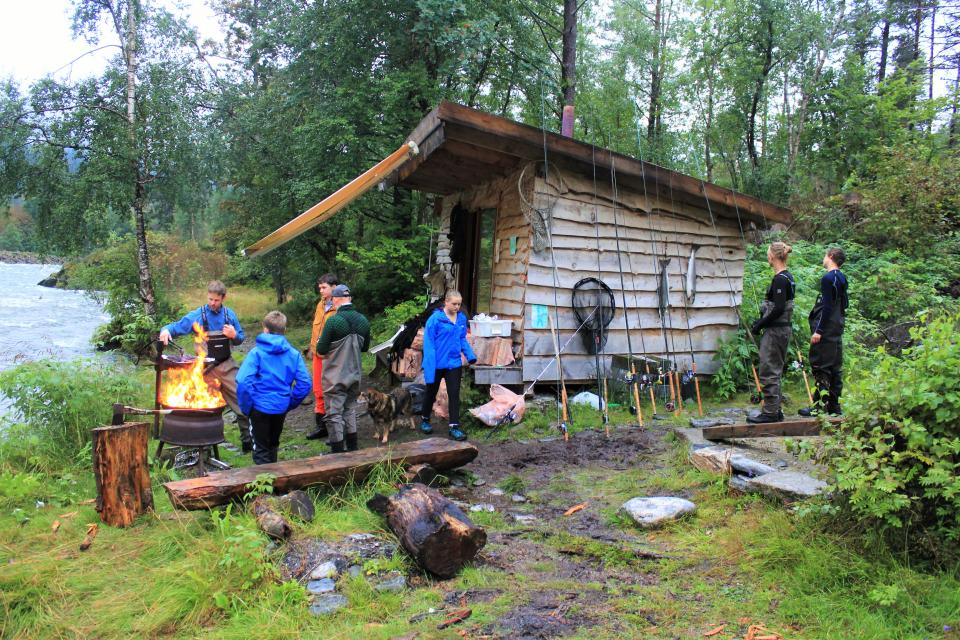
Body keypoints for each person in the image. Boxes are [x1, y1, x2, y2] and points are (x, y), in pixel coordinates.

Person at [159, 280, 252, 452]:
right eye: (210, 299)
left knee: (242, 402)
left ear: (223, 298)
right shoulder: (198, 315)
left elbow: (240, 338)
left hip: (227, 366)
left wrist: (234, 335)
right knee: (204, 408)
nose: (212, 303)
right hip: (205, 370)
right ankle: (205, 445)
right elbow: (176, 327)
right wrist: (165, 331)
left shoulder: (229, 315)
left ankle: (248, 442)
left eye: (216, 300)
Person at [236, 311, 312, 465]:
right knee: (273, 445)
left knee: (261, 449)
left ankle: (265, 488)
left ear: (265, 328)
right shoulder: (293, 354)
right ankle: (275, 485)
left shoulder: (256, 353)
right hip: (280, 407)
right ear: (284, 330)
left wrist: (246, 407)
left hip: (259, 408)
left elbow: (243, 381)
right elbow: (305, 383)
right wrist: (289, 402)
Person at [315, 284, 370, 453]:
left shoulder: (334, 321)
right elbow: (365, 347)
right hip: (354, 374)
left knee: (334, 414)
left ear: (336, 299)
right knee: (350, 409)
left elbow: (321, 349)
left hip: (335, 376)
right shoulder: (363, 320)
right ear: (350, 299)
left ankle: (337, 452)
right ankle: (353, 448)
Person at [419, 290, 477, 441]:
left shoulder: (461, 319)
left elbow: (462, 339)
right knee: (431, 391)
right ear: (446, 302)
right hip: (437, 363)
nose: (457, 307)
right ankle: (425, 419)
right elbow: (429, 344)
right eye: (454, 304)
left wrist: (469, 355)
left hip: (454, 363)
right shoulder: (435, 320)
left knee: (454, 394)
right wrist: (429, 366)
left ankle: (454, 427)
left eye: (459, 304)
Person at [747, 242, 795, 425]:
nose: (767, 257)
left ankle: (770, 412)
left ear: (773, 256)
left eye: (768, 254)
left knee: (768, 369)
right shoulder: (787, 277)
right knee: (775, 368)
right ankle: (776, 409)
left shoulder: (781, 279)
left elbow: (779, 308)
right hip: (781, 328)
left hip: (776, 330)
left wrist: (760, 324)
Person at [799, 247, 848, 416]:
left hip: (826, 329)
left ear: (831, 256)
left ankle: (819, 407)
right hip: (837, 326)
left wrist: (818, 330)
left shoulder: (828, 278)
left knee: (821, 366)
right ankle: (834, 406)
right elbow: (844, 304)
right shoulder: (842, 277)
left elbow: (827, 306)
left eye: (825, 255)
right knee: (835, 366)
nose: (823, 258)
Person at [306, 273, 339, 441]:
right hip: (318, 354)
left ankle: (337, 428)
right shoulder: (320, 305)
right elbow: (316, 330)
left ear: (334, 287)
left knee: (332, 391)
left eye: (324, 287)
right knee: (318, 390)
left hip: (332, 357)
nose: (321, 291)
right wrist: (312, 349)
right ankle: (321, 427)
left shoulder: (340, 307)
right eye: (319, 287)